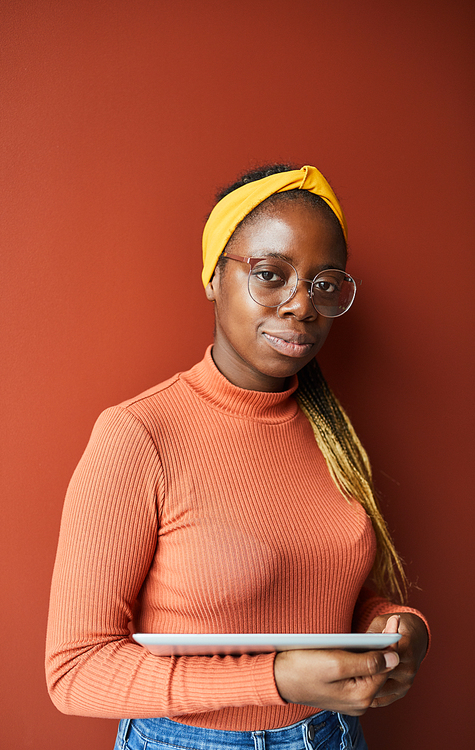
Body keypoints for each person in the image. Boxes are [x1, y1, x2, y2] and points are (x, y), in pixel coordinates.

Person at [46, 164, 429, 750]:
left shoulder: (332, 430)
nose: (302, 306)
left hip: (330, 735)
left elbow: (320, 588)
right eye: (270, 275)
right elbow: (75, 672)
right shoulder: (138, 434)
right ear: (212, 278)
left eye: (325, 284)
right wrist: (273, 677)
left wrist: (394, 627)